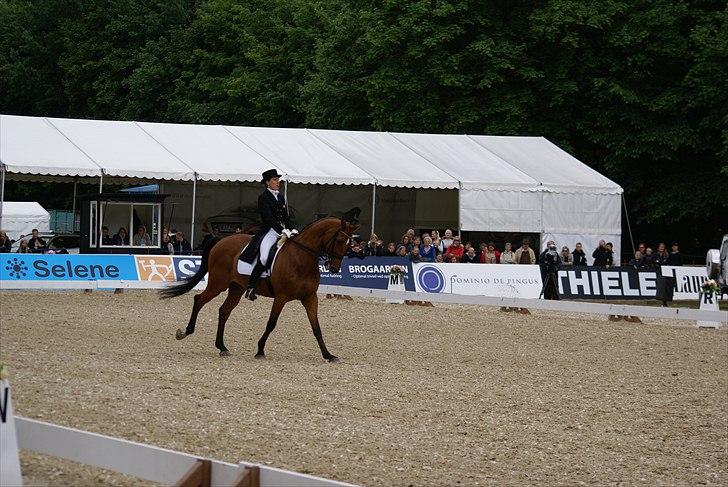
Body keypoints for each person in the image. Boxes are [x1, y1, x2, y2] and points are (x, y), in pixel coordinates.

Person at [240, 169, 292, 301]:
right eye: (274, 180)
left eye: (278, 179)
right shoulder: (263, 197)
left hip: (282, 230)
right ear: (267, 183)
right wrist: (281, 229)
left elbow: (286, 217)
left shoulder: (280, 196)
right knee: (263, 258)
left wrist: (292, 229)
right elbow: (268, 218)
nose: (277, 182)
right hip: (269, 231)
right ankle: (250, 287)